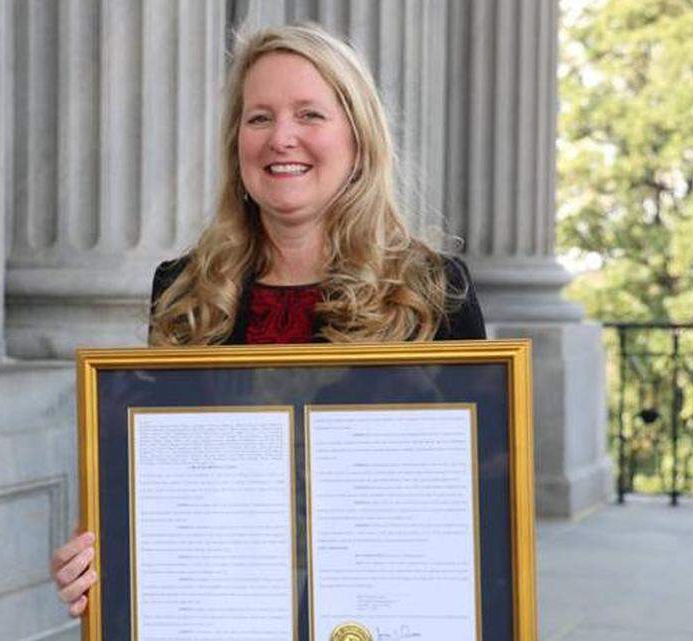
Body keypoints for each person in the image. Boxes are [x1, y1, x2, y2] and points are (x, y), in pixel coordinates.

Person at [49, 22, 485, 617]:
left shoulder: (433, 291)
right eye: (259, 118)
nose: (281, 138)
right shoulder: (186, 294)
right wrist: (101, 559)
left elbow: (478, 507)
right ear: (236, 144)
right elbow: (155, 493)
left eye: (310, 114)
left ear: (359, 141)